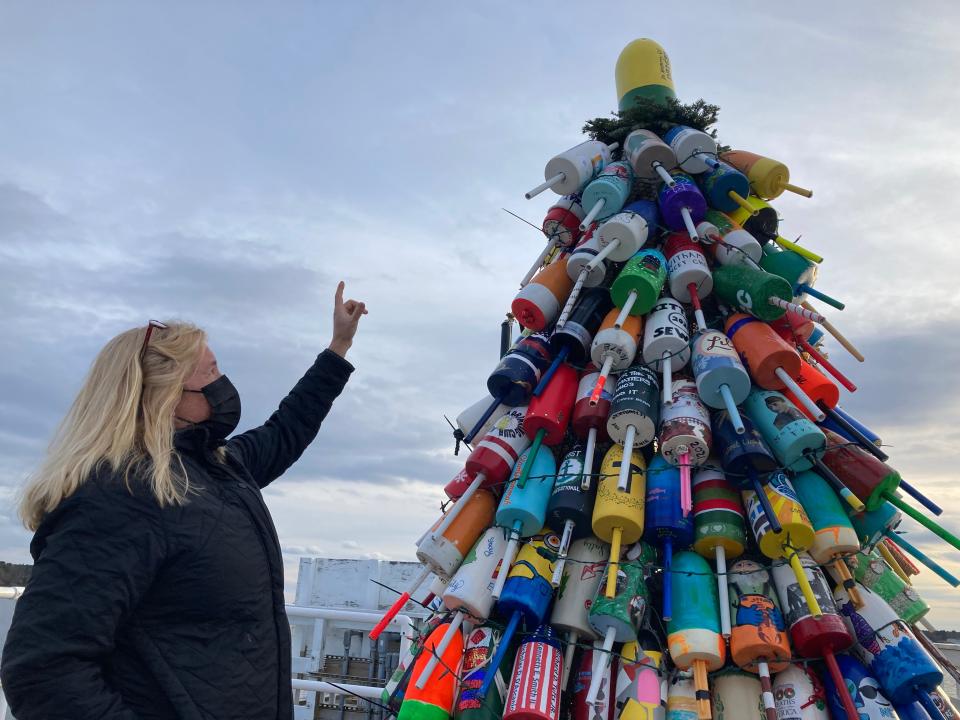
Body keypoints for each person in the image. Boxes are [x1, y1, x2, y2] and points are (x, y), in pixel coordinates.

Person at [1, 282, 367, 720]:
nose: (224, 386)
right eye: (210, 375)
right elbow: (42, 671)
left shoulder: (216, 468)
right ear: (166, 397)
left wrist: (338, 347)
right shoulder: (120, 497)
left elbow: (285, 430)